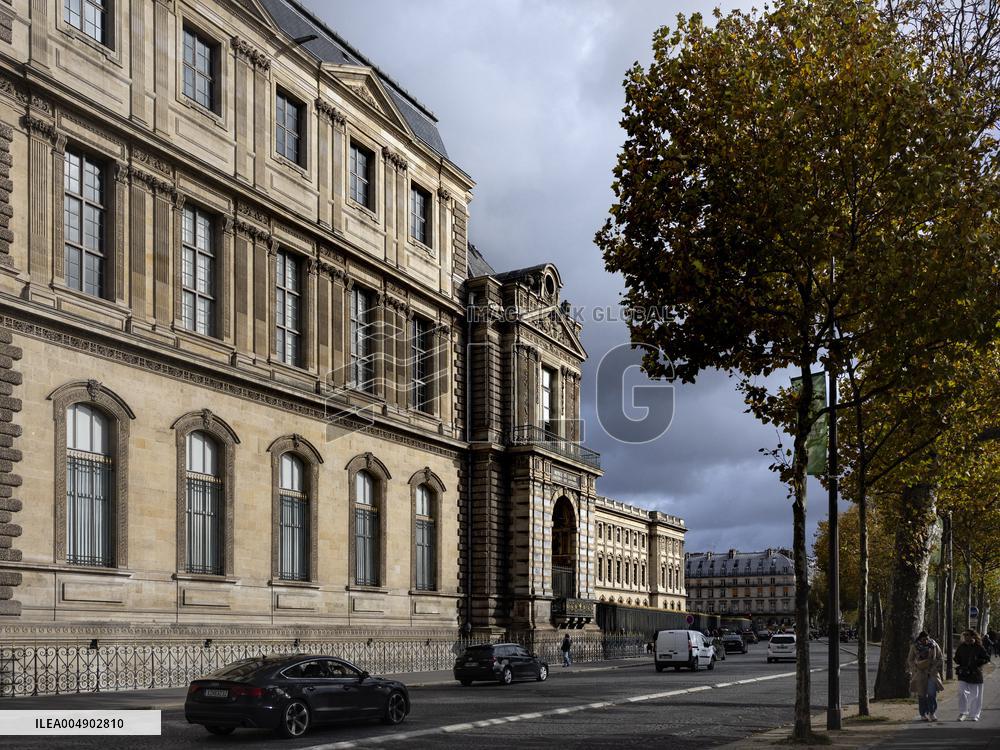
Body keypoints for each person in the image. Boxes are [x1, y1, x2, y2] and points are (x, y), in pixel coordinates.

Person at [907, 631, 944, 722]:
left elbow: (940, 657)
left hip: (932, 673)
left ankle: (932, 712)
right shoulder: (914, 646)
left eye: (927, 639)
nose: (926, 641)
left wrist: (935, 667)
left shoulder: (934, 645)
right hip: (920, 673)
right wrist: (915, 668)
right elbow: (910, 659)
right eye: (923, 639)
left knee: (932, 693)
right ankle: (923, 714)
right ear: (920, 639)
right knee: (922, 695)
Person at [955, 630, 990, 722]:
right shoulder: (961, 646)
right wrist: (958, 661)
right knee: (961, 692)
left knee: (976, 695)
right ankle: (963, 712)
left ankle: (975, 714)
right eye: (964, 635)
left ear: (972, 636)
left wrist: (977, 662)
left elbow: (987, 658)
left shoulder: (978, 647)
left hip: (975, 674)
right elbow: (957, 658)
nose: (965, 636)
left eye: (967, 635)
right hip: (963, 674)